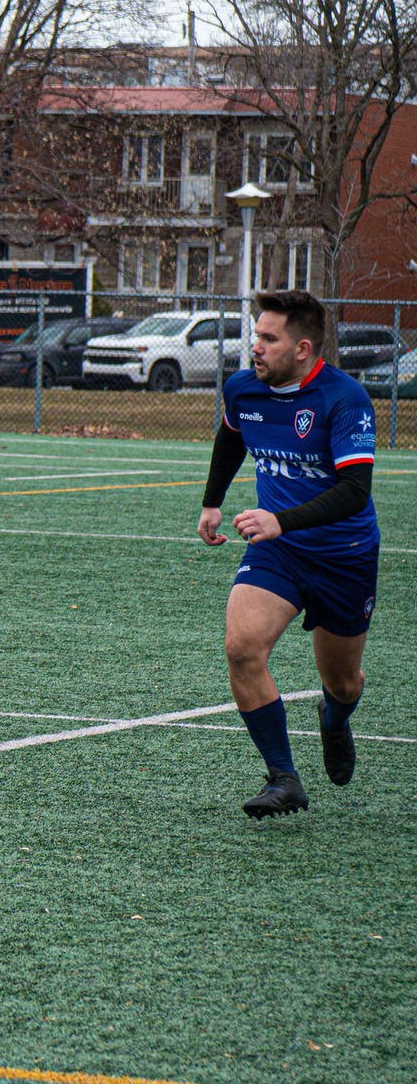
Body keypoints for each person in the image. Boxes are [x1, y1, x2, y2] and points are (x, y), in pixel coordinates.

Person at [199, 289, 378, 819]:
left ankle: (335, 719)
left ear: (302, 348)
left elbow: (354, 491)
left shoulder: (343, 399)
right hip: (277, 554)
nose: (256, 346)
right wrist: (212, 502)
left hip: (344, 556)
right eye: (255, 334)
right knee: (241, 648)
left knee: (342, 681)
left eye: (268, 338)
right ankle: (283, 777)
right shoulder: (243, 390)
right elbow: (231, 436)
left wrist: (281, 519)